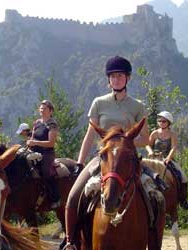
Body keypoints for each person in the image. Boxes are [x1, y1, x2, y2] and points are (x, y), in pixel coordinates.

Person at [62, 56, 166, 250]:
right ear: (108, 80)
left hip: (128, 160)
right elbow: (89, 135)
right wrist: (79, 162)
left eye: (120, 76)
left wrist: (125, 143)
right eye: (113, 76)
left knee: (156, 197)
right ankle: (70, 242)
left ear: (128, 78)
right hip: (103, 158)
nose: (116, 79)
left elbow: (145, 139)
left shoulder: (137, 106)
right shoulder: (99, 103)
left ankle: (154, 244)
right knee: (74, 196)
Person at [146, 111, 188, 210]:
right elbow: (148, 145)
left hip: (167, 159)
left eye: (163, 121)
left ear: (168, 123)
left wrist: (168, 158)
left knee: (183, 177)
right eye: (159, 121)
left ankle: (183, 201)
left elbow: (173, 147)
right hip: (154, 159)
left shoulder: (172, 134)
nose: (161, 123)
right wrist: (150, 151)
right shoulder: (154, 133)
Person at [27, 100, 60, 208]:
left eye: (45, 108)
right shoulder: (37, 123)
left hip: (47, 153)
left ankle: (55, 198)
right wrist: (29, 143)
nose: (42, 110)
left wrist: (35, 142)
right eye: (41, 108)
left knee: (46, 172)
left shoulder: (52, 124)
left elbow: (51, 143)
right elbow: (32, 137)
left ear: (51, 111)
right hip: (34, 151)